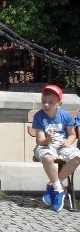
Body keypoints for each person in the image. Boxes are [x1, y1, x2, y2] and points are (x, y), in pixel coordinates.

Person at [32, 84, 80, 213]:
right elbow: (40, 140)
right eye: (44, 101)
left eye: (50, 102)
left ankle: (52, 184)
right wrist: (47, 140)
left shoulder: (65, 116)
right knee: (47, 157)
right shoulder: (39, 117)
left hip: (62, 145)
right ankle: (59, 189)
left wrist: (68, 141)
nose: (46, 105)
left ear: (60, 103)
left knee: (77, 157)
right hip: (45, 145)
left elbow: (72, 134)